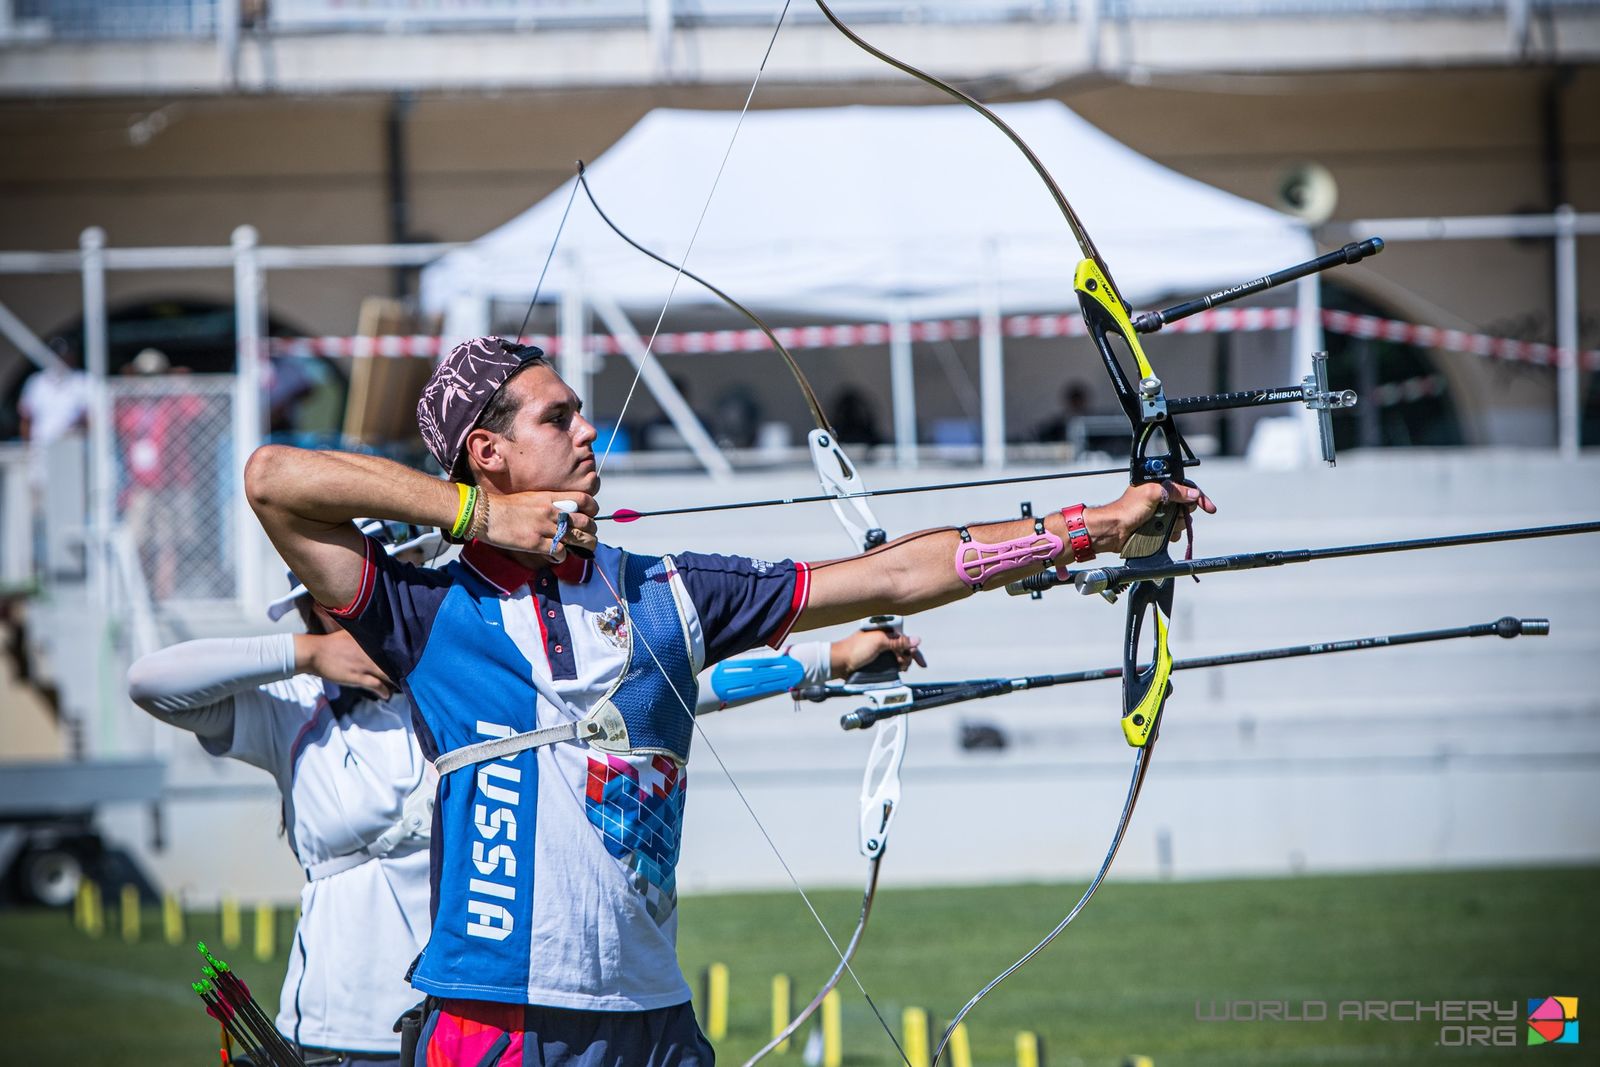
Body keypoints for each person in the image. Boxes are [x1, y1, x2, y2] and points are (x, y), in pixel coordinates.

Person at [242, 336, 1213, 1065]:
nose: (589, 431)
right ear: (486, 449)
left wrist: (1093, 523)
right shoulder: (428, 612)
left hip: (652, 1019)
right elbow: (273, 479)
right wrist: (477, 517)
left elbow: (894, 575)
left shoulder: (665, 588)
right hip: (495, 1020)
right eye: (557, 416)